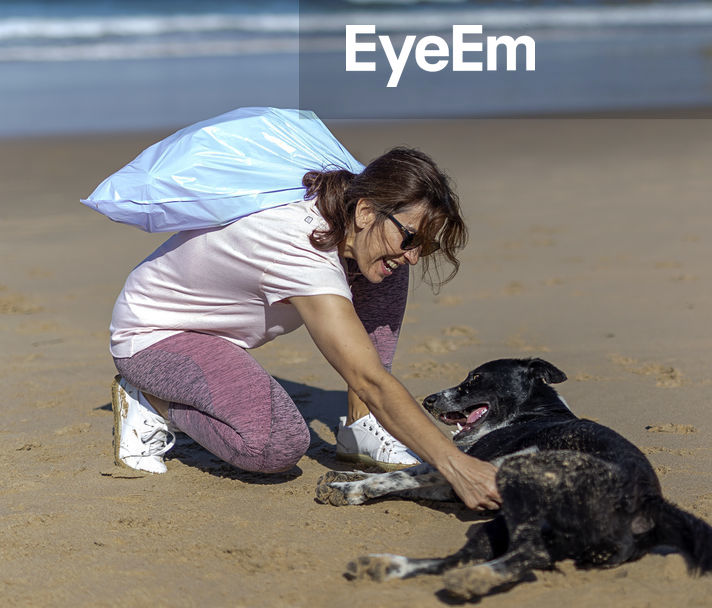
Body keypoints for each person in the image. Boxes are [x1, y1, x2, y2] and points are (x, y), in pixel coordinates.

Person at [109, 145, 500, 511]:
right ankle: (152, 399)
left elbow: (370, 372)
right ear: (364, 211)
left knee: (386, 265)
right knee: (276, 446)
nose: (415, 256)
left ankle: (362, 425)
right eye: (412, 236)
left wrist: (403, 240)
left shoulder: (348, 212)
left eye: (426, 246)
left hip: (219, 335)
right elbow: (370, 379)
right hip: (155, 335)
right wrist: (456, 466)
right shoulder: (300, 252)